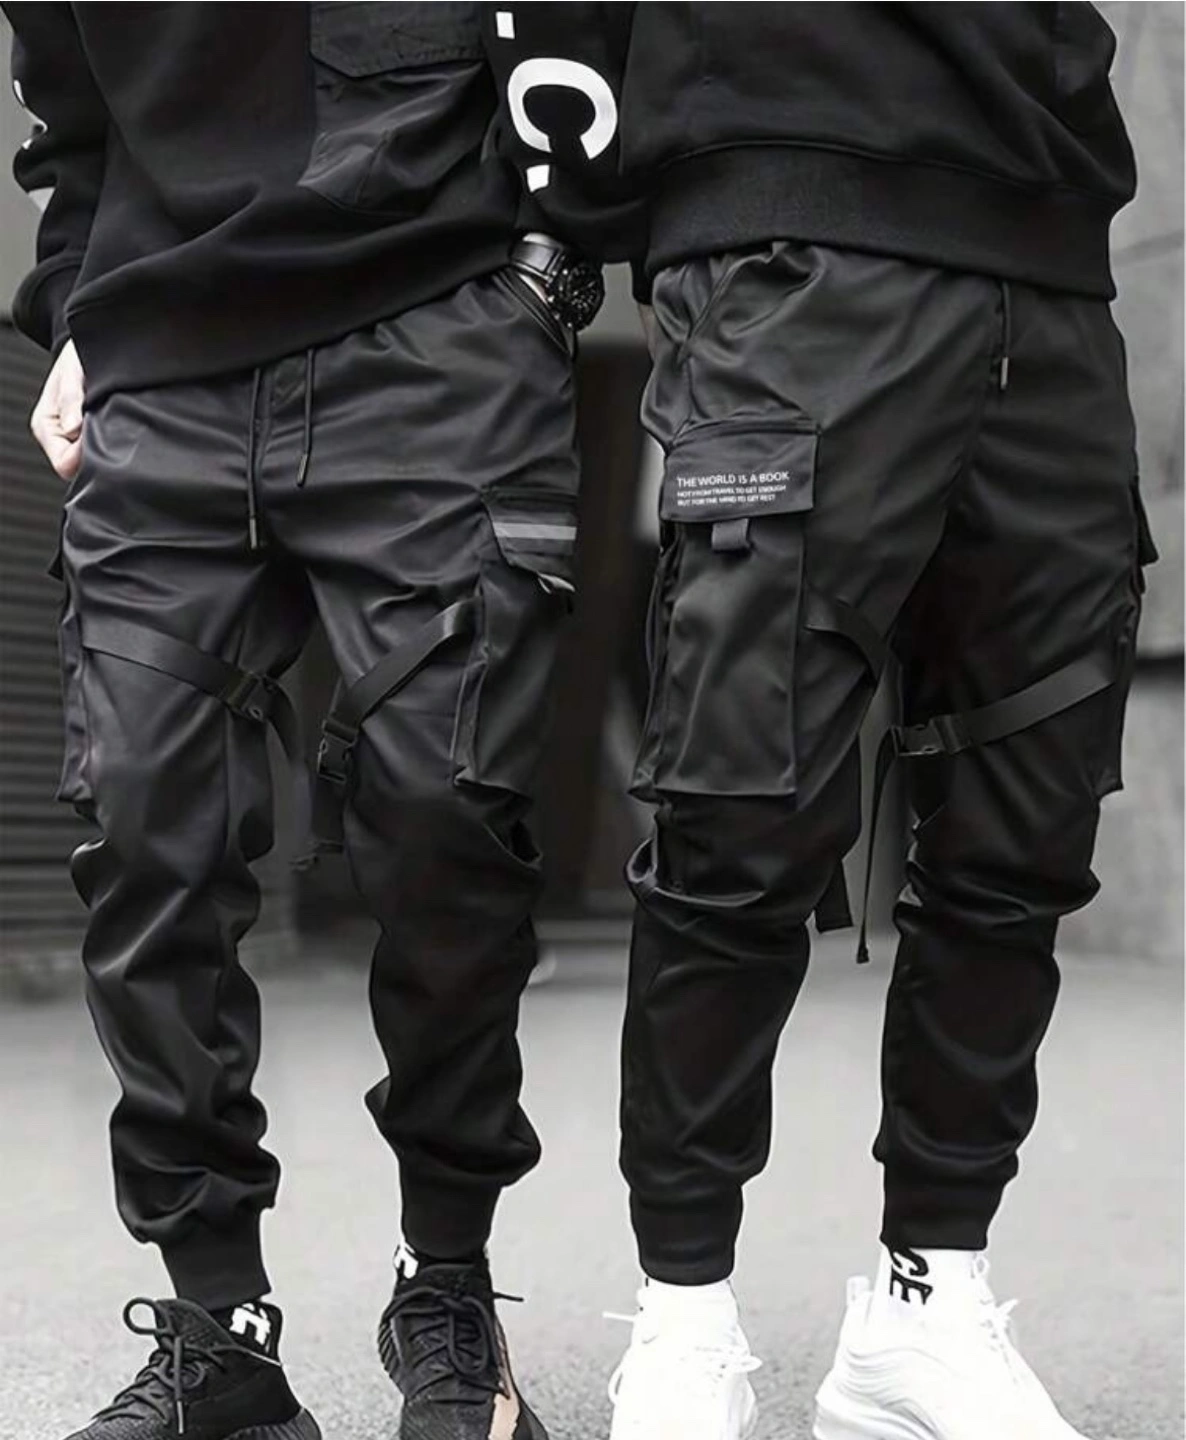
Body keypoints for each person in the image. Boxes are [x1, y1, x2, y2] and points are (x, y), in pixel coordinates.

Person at [485, 5, 1156, 1438]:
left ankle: (928, 1301)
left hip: (1049, 254)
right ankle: (683, 1317)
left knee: (1025, 822)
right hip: (784, 225)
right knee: (737, 803)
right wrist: (564, 196)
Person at [6, 5, 603, 1437]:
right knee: (144, 825)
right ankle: (221, 1330)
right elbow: (71, 112)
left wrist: (549, 256)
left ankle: (445, 1283)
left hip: (439, 328)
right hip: (166, 359)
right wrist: (79, 305)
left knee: (450, 814)